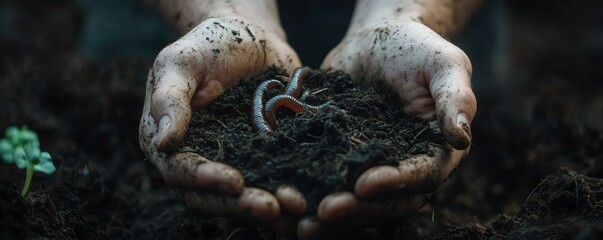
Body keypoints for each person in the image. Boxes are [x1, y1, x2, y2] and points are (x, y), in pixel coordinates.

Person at [139, 0, 480, 238]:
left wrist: (404, 13)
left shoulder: (287, 97)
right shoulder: (283, 97)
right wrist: (225, 11)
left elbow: (278, 100)